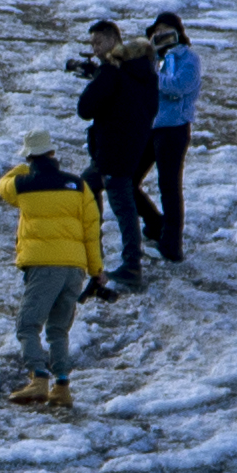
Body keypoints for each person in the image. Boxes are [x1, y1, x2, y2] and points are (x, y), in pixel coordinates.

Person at [0, 131, 101, 408]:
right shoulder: (78, 185)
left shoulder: (23, 183)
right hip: (75, 268)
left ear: (29, 156)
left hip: (44, 265)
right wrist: (96, 269)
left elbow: (3, 186)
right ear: (53, 154)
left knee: (28, 324)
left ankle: (38, 378)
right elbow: (92, 229)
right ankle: (62, 387)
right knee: (58, 329)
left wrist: (23, 166)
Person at [73, 20, 158, 297]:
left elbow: (85, 108)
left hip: (112, 150)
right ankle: (92, 249)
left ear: (113, 40)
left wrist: (101, 76)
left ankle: (132, 266)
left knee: (122, 206)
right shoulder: (143, 68)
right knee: (85, 189)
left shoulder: (112, 70)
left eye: (98, 42)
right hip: (132, 146)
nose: (95, 49)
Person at [145, 13, 200, 263]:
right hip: (148, 126)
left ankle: (172, 244)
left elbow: (179, 86)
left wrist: (151, 76)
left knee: (169, 186)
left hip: (174, 128)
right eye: (157, 32)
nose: (161, 36)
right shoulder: (150, 59)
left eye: (166, 31)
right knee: (127, 180)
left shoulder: (188, 58)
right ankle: (156, 224)